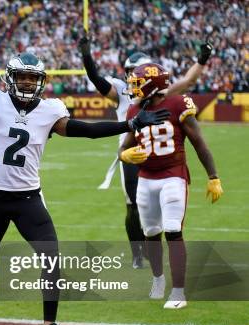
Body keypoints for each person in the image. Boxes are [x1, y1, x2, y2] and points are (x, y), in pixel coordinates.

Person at [0, 43, 169, 325]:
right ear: (10, 78)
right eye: (21, 77)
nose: (26, 82)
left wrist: (128, 124)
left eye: (31, 78)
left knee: (51, 258)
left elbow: (85, 130)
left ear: (41, 82)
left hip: (28, 199)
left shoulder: (51, 110)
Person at [78, 36, 213, 269]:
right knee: (133, 205)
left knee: (164, 208)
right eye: (131, 71)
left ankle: (159, 249)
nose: (134, 77)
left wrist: (201, 60)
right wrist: (87, 56)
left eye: (138, 72)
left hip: (161, 154)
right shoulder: (122, 91)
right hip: (131, 152)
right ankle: (138, 253)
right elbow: (97, 80)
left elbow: (189, 80)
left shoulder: (163, 92)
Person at [119, 62, 222, 309]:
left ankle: (178, 292)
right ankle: (158, 280)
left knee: (173, 230)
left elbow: (199, 142)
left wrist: (213, 176)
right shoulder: (135, 111)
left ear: (152, 86)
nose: (133, 89)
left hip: (173, 175)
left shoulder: (177, 104)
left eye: (137, 84)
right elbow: (124, 146)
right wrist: (125, 155)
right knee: (151, 232)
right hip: (145, 178)